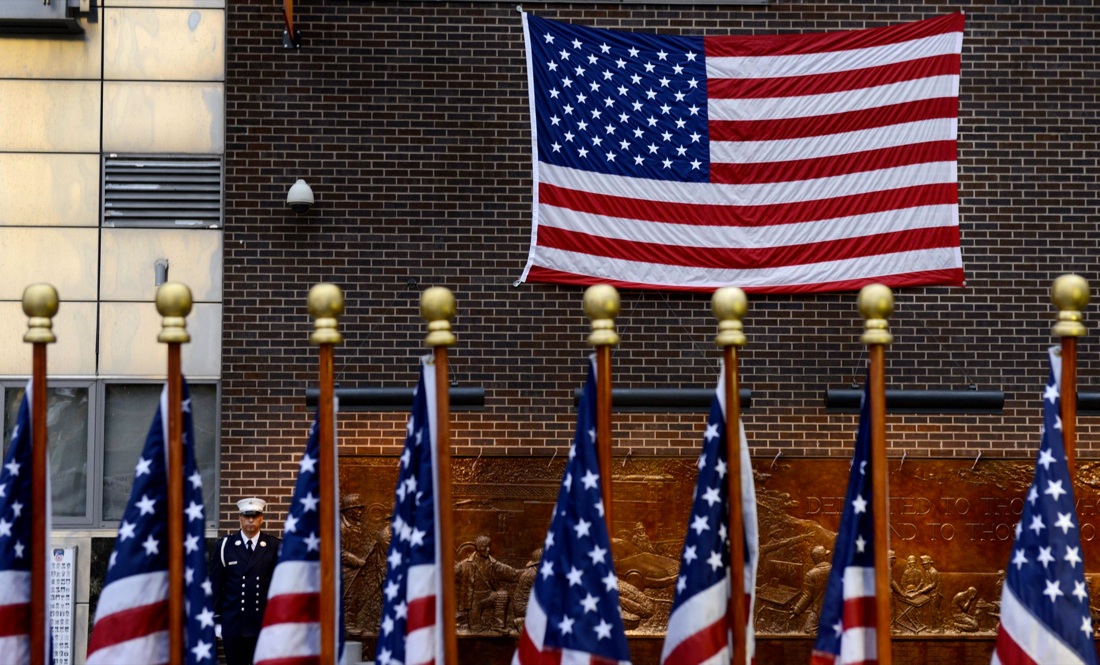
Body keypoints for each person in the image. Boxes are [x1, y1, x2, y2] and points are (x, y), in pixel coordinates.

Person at [209, 497, 281, 665]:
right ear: (239, 518)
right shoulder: (225, 546)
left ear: (261, 518)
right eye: (246, 516)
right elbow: (216, 586)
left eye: (255, 516)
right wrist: (217, 620)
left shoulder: (274, 546)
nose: (250, 520)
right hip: (234, 624)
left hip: (262, 623)